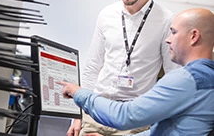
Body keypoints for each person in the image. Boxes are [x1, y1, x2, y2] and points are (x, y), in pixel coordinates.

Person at [67, 0, 179, 136]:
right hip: (96, 110)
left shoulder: (166, 20)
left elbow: (171, 75)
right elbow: (93, 66)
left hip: (134, 118)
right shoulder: (106, 15)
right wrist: (77, 113)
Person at [59, 8, 214, 135]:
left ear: (193, 36)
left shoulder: (186, 80)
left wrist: (78, 93)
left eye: (173, 32)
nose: (168, 39)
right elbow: (162, 131)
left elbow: (124, 116)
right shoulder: (207, 78)